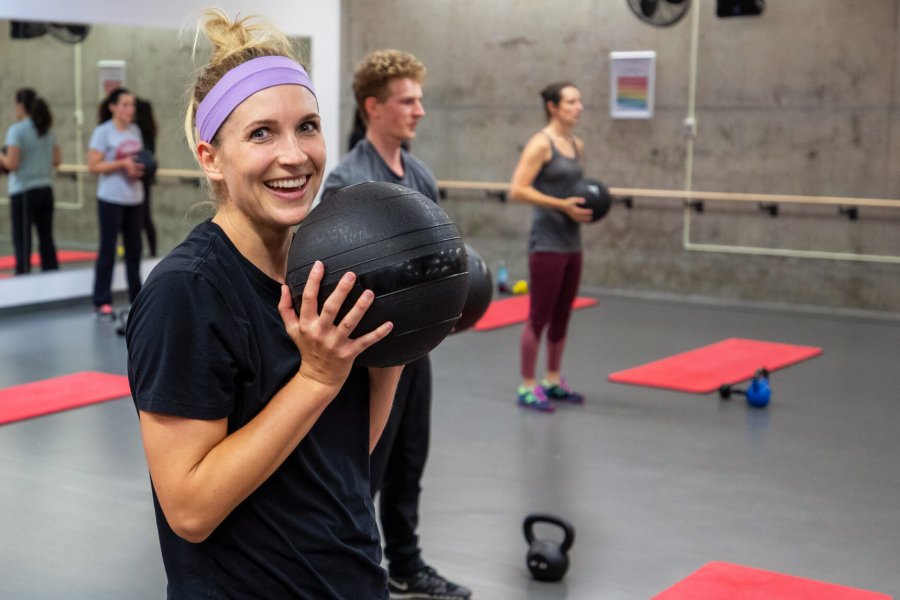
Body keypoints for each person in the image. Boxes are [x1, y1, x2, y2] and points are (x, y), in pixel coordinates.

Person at [125, 9, 403, 599]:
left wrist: (396, 348)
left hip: (351, 580)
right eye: (261, 134)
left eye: (307, 126)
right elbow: (191, 509)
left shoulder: (326, 270)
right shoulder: (187, 292)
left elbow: (344, 461)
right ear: (210, 158)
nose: (296, 155)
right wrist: (317, 378)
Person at [322, 49, 472, 600]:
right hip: (371, 353)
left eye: (419, 100)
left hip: (418, 347)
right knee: (369, 466)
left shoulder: (419, 173)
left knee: (411, 457)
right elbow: (339, 272)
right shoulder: (347, 181)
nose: (419, 111)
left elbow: (438, 257)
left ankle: (406, 564)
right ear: (374, 107)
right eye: (408, 101)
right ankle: (358, 568)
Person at [508, 82, 593, 413]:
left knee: (563, 314)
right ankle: (528, 386)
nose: (579, 106)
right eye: (571, 101)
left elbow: (577, 191)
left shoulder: (576, 144)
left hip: (572, 240)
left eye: (579, 100)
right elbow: (517, 189)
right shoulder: (540, 144)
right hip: (546, 242)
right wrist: (561, 205)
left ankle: (553, 380)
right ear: (553, 107)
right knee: (539, 315)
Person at [87, 87, 145, 319]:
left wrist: (138, 168)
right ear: (113, 107)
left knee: (135, 252)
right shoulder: (103, 132)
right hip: (110, 198)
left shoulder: (136, 130)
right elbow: (94, 166)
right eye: (125, 105)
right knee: (108, 250)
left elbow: (137, 160)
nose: (130, 109)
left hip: (135, 198)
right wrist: (121, 165)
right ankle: (101, 301)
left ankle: (137, 300)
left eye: (132, 105)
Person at [0, 88, 60, 275]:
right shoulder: (46, 129)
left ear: (20, 105)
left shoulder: (16, 130)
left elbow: (12, 163)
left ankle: (23, 277)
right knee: (46, 238)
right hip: (46, 189)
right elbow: (56, 160)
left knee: (23, 240)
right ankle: (51, 276)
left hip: (24, 191)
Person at [134, 97, 158, 257]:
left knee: (139, 215)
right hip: (146, 176)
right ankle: (152, 250)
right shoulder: (151, 128)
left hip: (138, 175)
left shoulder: (137, 130)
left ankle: (142, 249)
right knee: (145, 215)